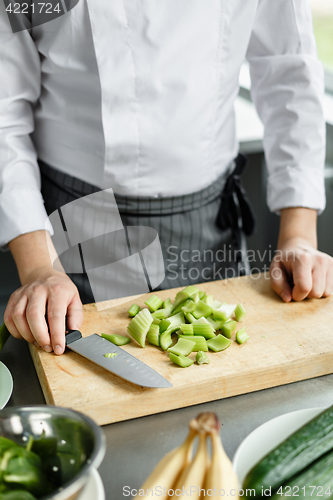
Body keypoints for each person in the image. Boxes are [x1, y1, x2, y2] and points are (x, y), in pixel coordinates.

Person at [1, 1, 332, 356]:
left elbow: (289, 71)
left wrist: (299, 235)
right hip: (77, 223)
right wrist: (38, 268)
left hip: (210, 222)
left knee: (226, 379)